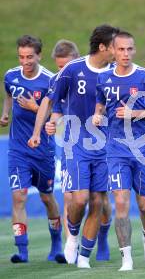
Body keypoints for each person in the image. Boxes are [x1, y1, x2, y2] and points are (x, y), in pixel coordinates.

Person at [28, 24, 120, 268]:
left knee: (99, 202)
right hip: (75, 143)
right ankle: (73, 238)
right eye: (115, 46)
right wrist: (41, 129)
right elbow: (50, 100)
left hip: (106, 147)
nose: (120, 51)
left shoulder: (117, 73)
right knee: (78, 200)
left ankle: (84, 256)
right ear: (103, 47)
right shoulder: (73, 69)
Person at [93, 31, 145, 271]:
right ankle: (127, 258)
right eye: (121, 49)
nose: (126, 54)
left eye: (130, 49)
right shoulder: (104, 78)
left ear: (134, 50)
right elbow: (100, 102)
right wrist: (97, 114)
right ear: (112, 51)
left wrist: (134, 113)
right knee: (121, 202)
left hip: (143, 149)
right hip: (116, 150)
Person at [47, 39, 112, 261]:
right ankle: (71, 243)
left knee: (100, 201)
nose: (62, 70)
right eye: (58, 66)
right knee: (73, 197)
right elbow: (52, 106)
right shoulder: (61, 79)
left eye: (65, 65)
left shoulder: (104, 73)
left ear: (77, 59)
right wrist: (50, 123)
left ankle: (100, 240)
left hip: (102, 145)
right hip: (72, 144)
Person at [0, 35, 63, 263]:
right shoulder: (11, 75)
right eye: (21, 57)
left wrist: (35, 107)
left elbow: (53, 114)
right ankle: (22, 249)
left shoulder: (49, 80)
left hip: (43, 150)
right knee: (19, 197)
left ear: (39, 56)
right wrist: (6, 113)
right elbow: (8, 93)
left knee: (47, 198)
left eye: (29, 57)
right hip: (18, 149)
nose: (25, 61)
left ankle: (56, 244)